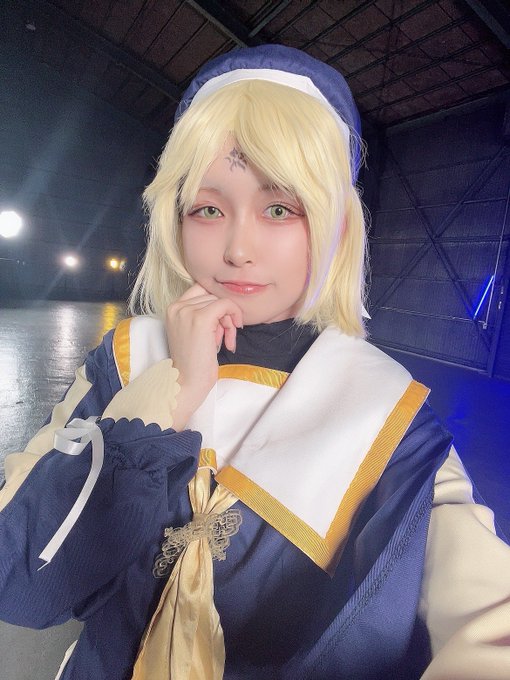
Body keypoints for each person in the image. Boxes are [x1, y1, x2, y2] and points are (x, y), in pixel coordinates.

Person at [0, 44, 509, 680]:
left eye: (280, 209)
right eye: (208, 209)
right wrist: (164, 400)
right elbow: (23, 579)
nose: (238, 248)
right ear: (175, 221)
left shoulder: (388, 414)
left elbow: (486, 616)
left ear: (337, 228)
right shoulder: (124, 360)